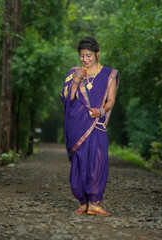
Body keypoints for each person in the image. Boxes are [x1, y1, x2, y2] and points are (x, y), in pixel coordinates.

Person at [60, 36, 119, 216]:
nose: (85, 59)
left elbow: (111, 101)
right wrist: (77, 79)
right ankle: (83, 202)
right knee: (80, 161)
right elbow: (67, 98)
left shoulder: (109, 74)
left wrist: (100, 112)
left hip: (97, 123)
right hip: (76, 124)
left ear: (97, 54)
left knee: (98, 160)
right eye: (82, 55)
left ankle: (95, 203)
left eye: (89, 55)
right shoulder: (74, 72)